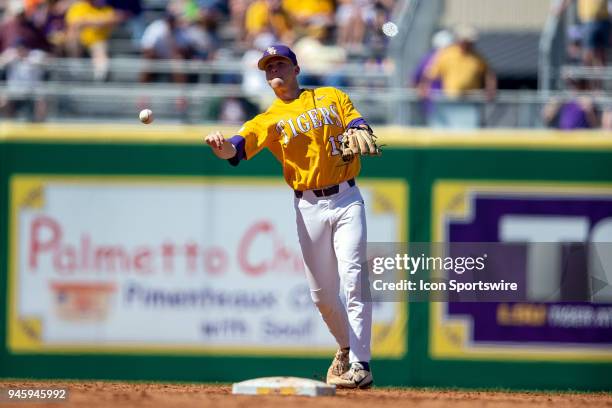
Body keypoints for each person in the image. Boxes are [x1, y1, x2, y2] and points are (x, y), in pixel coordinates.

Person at [204, 45, 374, 389]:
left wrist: (361, 129)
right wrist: (221, 147)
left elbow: (357, 123)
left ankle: (361, 364)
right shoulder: (267, 119)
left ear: (296, 69)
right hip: (307, 206)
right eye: (268, 67)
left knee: (354, 277)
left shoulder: (331, 96)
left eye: (279, 63)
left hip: (346, 198)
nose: (274, 70)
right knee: (322, 296)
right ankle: (345, 349)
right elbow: (236, 148)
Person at [557, 0, 610, 66]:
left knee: (602, 52)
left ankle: (600, 73)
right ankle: (587, 74)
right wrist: (560, 8)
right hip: (588, 20)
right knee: (588, 51)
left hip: (604, 20)